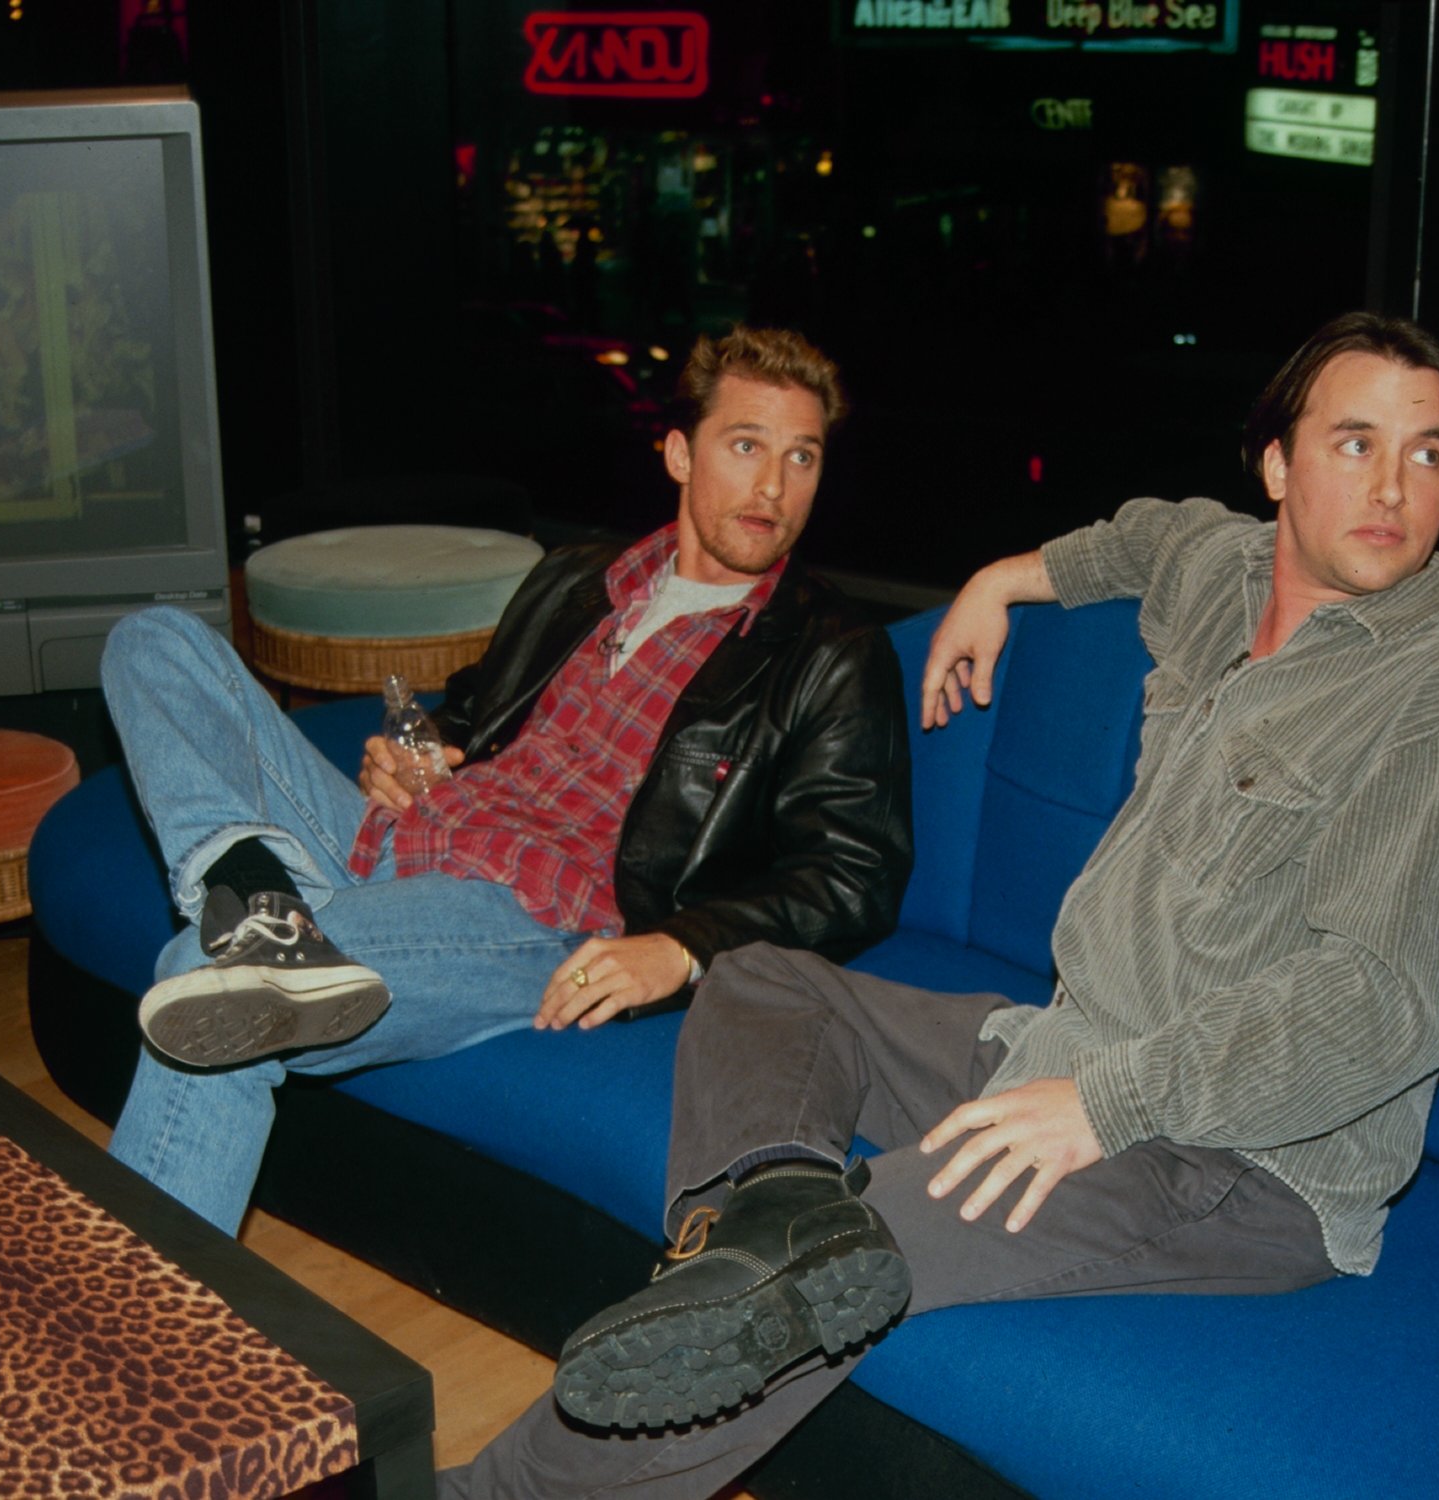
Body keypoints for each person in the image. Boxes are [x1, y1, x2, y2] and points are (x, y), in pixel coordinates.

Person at [445, 311, 1439, 1498]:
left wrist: (1108, 1104)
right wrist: (996, 582)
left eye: (1426, 454)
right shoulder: (1229, 574)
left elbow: (1384, 1007)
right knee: (765, 985)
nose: (1392, 486)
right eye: (1355, 443)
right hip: (1060, 1051)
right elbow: (1140, 541)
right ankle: (757, 1235)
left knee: (841, 1259)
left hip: (1234, 1155)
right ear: (1277, 466)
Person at [99, 326, 913, 1235]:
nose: (773, 486)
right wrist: (427, 753)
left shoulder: (830, 652)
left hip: (531, 917)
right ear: (681, 453)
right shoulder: (580, 576)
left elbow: (853, 878)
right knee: (156, 641)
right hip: (397, 838)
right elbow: (480, 706)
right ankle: (250, 889)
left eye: (801, 457)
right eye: (747, 445)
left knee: (206, 979)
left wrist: (680, 947)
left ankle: (135, 1347)